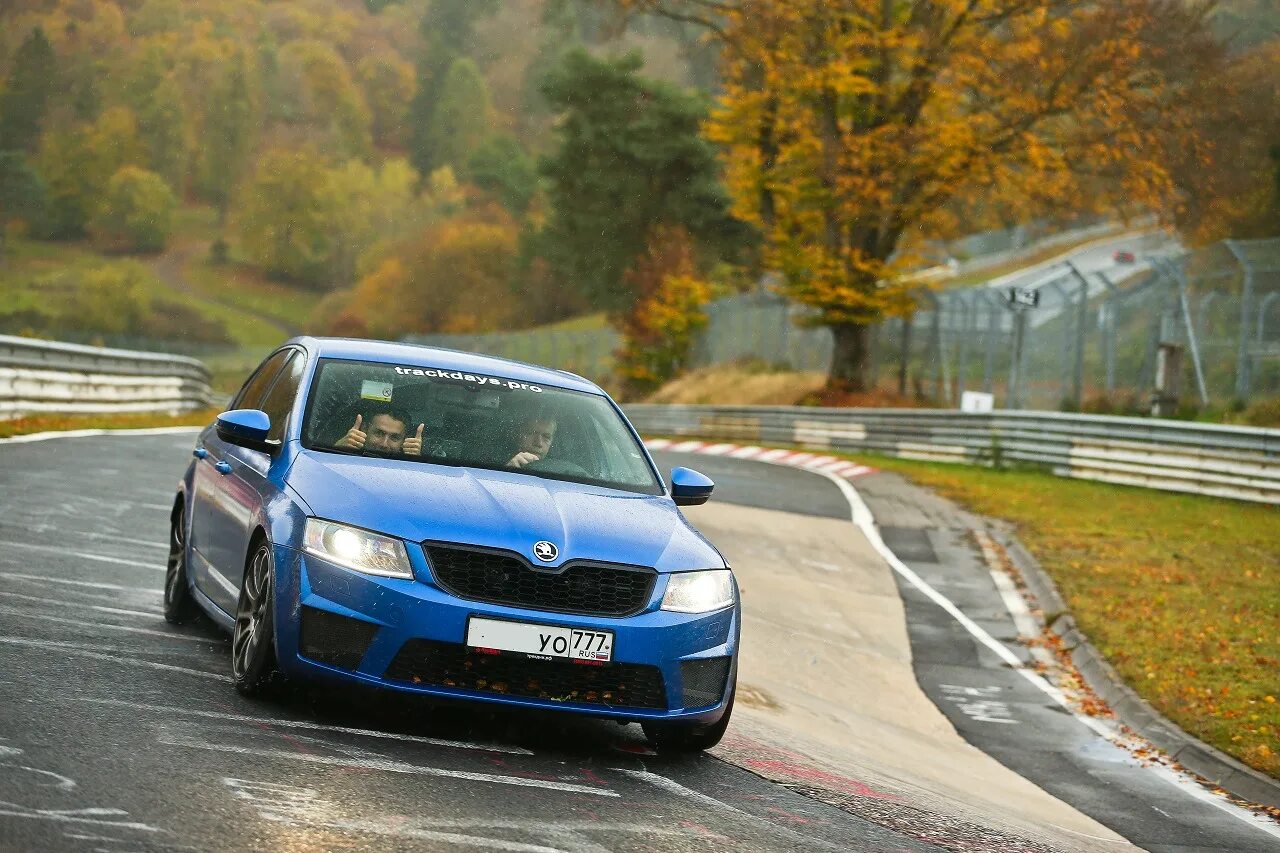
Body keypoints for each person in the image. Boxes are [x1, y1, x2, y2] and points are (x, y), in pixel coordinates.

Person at [337, 405, 423, 456]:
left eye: (394, 437)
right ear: (364, 429)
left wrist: (414, 459)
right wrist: (338, 450)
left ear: (405, 440)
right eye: (379, 433)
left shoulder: (407, 467)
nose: (384, 444)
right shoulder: (344, 452)